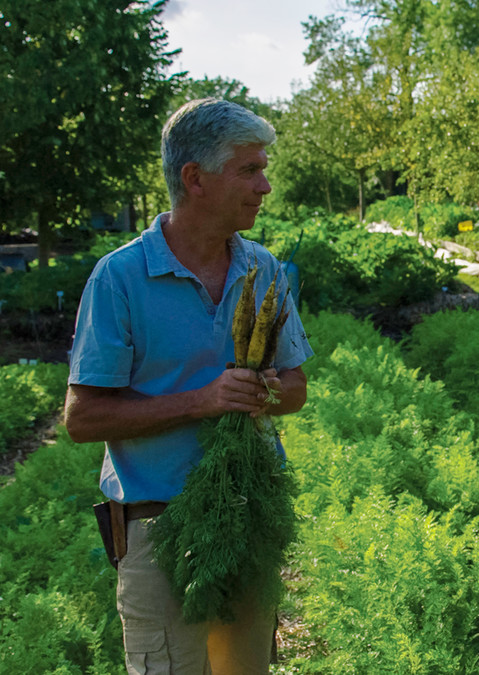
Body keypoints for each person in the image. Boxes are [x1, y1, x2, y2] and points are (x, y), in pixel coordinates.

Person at [64, 98, 314, 674]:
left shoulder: (264, 270)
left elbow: (296, 389)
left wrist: (263, 391)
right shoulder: (120, 278)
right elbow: (83, 419)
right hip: (158, 530)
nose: (266, 185)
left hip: (248, 515)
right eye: (249, 170)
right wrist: (203, 402)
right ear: (195, 178)